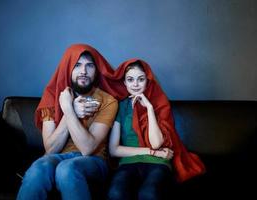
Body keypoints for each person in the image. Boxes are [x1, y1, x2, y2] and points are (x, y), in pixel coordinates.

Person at [16, 44, 118, 200]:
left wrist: (69, 110)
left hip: (95, 161)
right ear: (68, 67)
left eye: (89, 65)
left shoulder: (108, 101)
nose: (83, 71)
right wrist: (68, 108)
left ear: (96, 70)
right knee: (38, 167)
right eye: (77, 65)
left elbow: (87, 148)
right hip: (58, 156)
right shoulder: (52, 96)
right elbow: (50, 149)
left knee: (67, 168)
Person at [104, 59, 206, 200]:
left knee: (148, 194)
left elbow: (156, 144)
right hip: (129, 163)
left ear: (148, 81)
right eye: (130, 79)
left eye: (140, 79)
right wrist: (152, 152)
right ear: (124, 83)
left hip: (157, 163)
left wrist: (149, 108)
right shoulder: (121, 106)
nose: (135, 84)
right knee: (115, 193)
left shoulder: (159, 103)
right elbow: (114, 150)